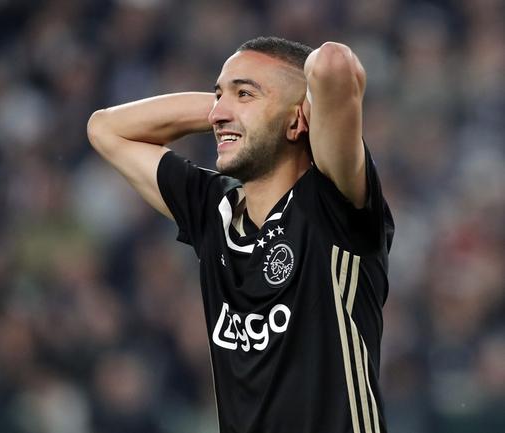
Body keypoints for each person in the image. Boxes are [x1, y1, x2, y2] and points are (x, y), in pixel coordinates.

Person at [87, 36, 394, 433]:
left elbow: (334, 63)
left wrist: (281, 111)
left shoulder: (332, 204)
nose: (218, 114)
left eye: (244, 93)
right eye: (219, 95)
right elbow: (105, 129)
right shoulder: (213, 210)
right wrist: (234, 112)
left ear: (298, 120)